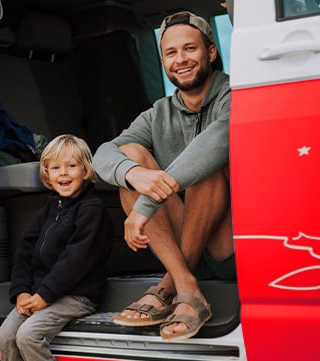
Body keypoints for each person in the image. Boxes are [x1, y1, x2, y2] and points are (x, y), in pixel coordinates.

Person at [93, 11, 236, 342]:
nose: (181, 60)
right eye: (171, 53)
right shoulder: (159, 113)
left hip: (227, 248)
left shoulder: (234, 95)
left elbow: (217, 142)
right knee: (129, 159)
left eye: (190, 49)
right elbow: (103, 153)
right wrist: (134, 174)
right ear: (162, 61)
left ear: (210, 52)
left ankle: (169, 285)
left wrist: (143, 208)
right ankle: (187, 285)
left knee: (206, 168)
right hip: (182, 247)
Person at [0, 134, 114, 361]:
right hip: (39, 294)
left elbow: (77, 260)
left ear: (86, 169)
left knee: (28, 335)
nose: (63, 173)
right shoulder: (50, 208)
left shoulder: (92, 210)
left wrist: (45, 295)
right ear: (46, 174)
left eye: (71, 166)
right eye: (54, 167)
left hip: (76, 294)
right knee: (5, 336)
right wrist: (21, 291)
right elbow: (24, 251)